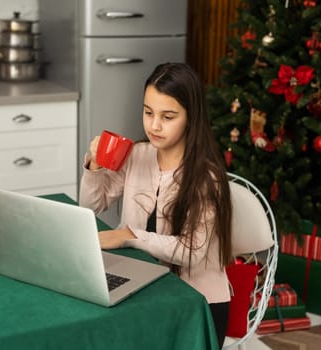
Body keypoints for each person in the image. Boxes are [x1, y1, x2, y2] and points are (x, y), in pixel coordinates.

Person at [79, 62, 233, 348]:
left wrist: (130, 236)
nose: (154, 125)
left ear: (191, 117)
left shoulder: (206, 178)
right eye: (148, 112)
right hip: (148, 287)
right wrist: (95, 166)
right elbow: (92, 205)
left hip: (198, 304)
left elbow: (192, 252)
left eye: (168, 116)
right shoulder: (137, 154)